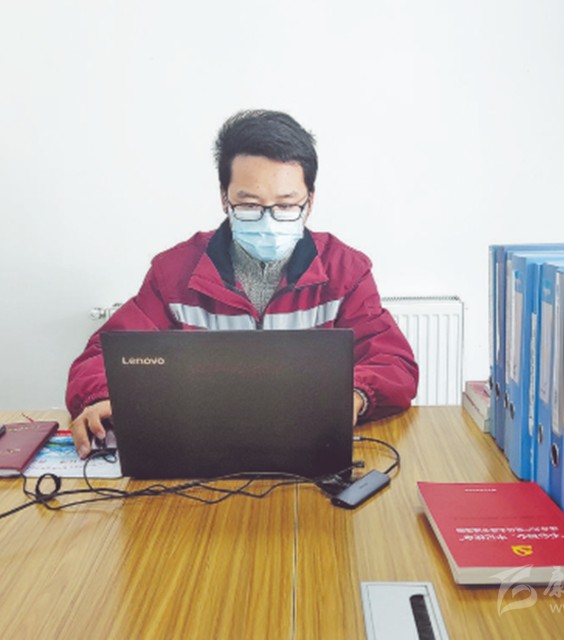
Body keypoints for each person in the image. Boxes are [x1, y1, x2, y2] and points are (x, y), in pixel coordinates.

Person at [66, 109, 419, 457]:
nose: (268, 221)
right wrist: (105, 397)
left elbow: (392, 362)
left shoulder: (345, 272)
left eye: (286, 206)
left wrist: (353, 396)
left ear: (309, 202)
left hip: (309, 449)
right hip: (200, 450)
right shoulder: (174, 274)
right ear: (225, 198)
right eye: (249, 205)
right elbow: (101, 357)